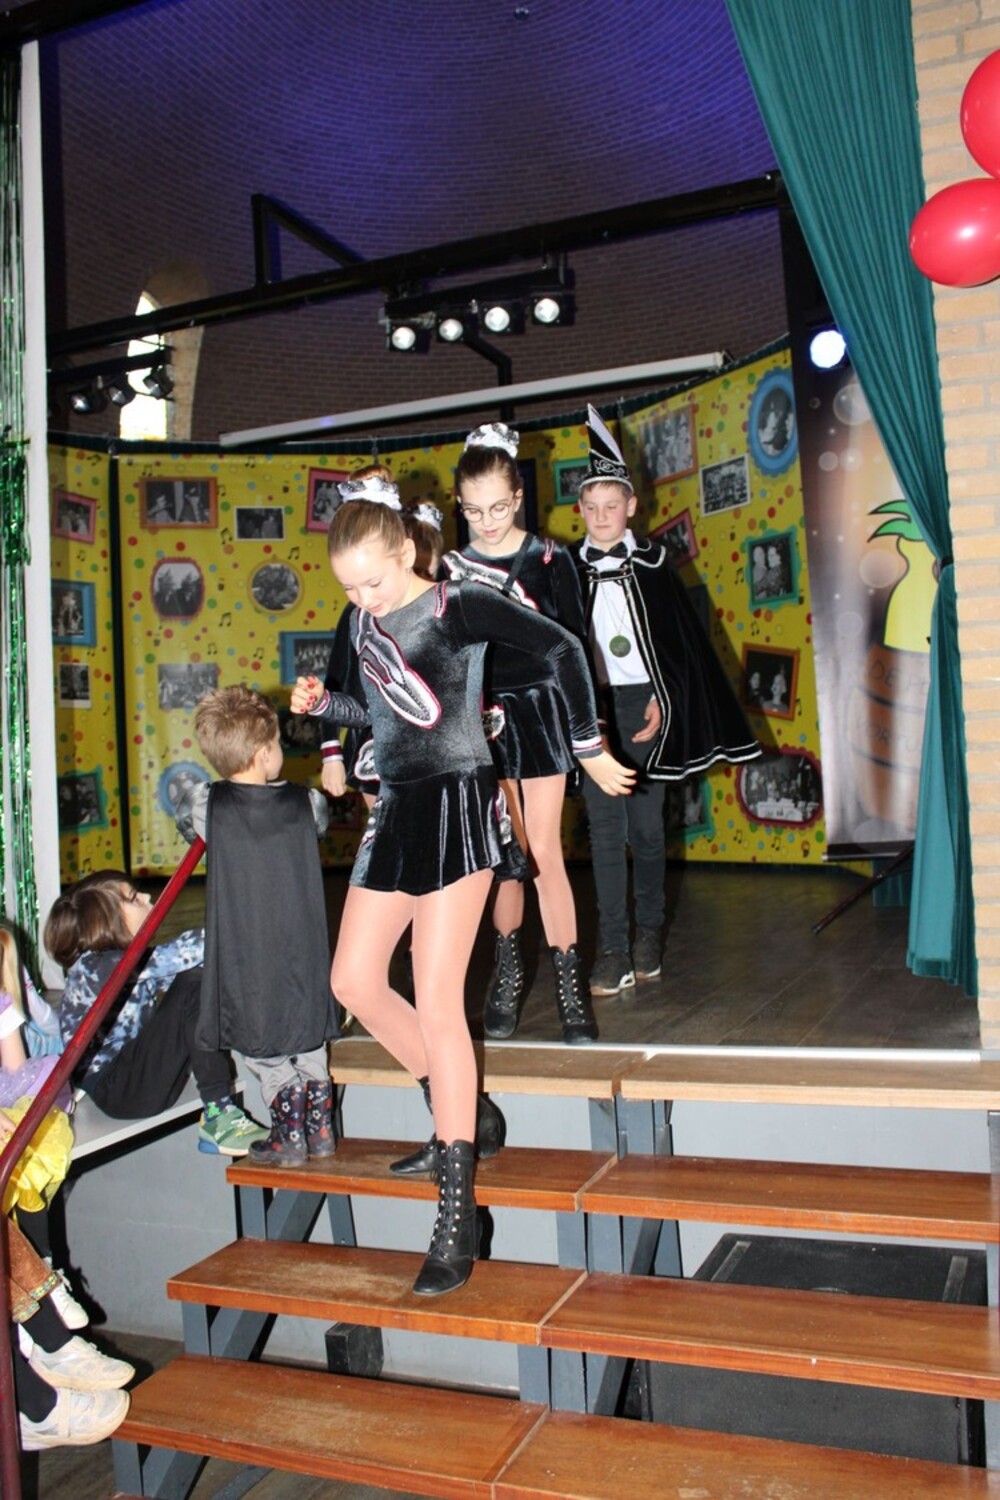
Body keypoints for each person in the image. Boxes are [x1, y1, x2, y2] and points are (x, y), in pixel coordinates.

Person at [292, 475, 633, 1297]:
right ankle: (464, 1109)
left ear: (404, 551)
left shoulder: (458, 606)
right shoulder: (364, 623)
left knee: (439, 998)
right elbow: (384, 714)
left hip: (459, 805)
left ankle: (457, 1206)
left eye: (372, 581)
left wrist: (587, 746)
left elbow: (561, 650)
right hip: (397, 811)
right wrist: (327, 703)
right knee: (353, 981)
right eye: (348, 588)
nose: (362, 599)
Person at [570, 405, 760, 997]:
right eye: (592, 507)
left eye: (612, 506)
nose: (602, 517)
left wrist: (664, 695)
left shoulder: (655, 565)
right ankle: (613, 949)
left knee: (647, 832)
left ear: (631, 506)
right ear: (581, 510)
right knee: (604, 834)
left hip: (646, 710)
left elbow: (680, 646)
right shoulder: (566, 571)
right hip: (595, 713)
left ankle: (649, 931)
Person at [441, 422, 594, 1043]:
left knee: (545, 851)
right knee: (506, 856)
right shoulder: (450, 568)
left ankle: (570, 987)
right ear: (459, 505)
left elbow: (578, 646)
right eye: (473, 511)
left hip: (543, 711)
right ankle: (507, 972)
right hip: (483, 719)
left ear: (519, 497)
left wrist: (590, 729)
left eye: (499, 508)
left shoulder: (552, 558)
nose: (487, 521)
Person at [175, 685, 339, 1167]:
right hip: (302, 947)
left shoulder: (207, 805)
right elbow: (319, 828)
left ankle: (288, 1135)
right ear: (266, 752)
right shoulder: (307, 803)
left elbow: (188, 826)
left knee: (260, 1036)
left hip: (247, 950)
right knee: (307, 1032)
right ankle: (319, 1131)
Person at [45, 873, 265, 1155]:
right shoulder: (98, 966)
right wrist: (241, 920)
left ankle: (224, 1097)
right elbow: (185, 954)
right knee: (194, 981)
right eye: (134, 898)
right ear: (107, 920)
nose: (147, 897)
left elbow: (181, 974)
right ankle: (218, 1113)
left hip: (140, 1081)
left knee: (196, 979)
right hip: (119, 1089)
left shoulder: (126, 964)